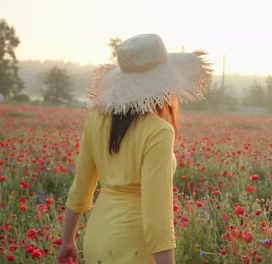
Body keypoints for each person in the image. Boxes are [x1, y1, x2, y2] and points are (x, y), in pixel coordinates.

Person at [57, 33, 212, 264]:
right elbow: (156, 216)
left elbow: (80, 187)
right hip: (134, 245)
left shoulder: (96, 119)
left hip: (97, 238)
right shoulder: (158, 131)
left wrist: (67, 241)